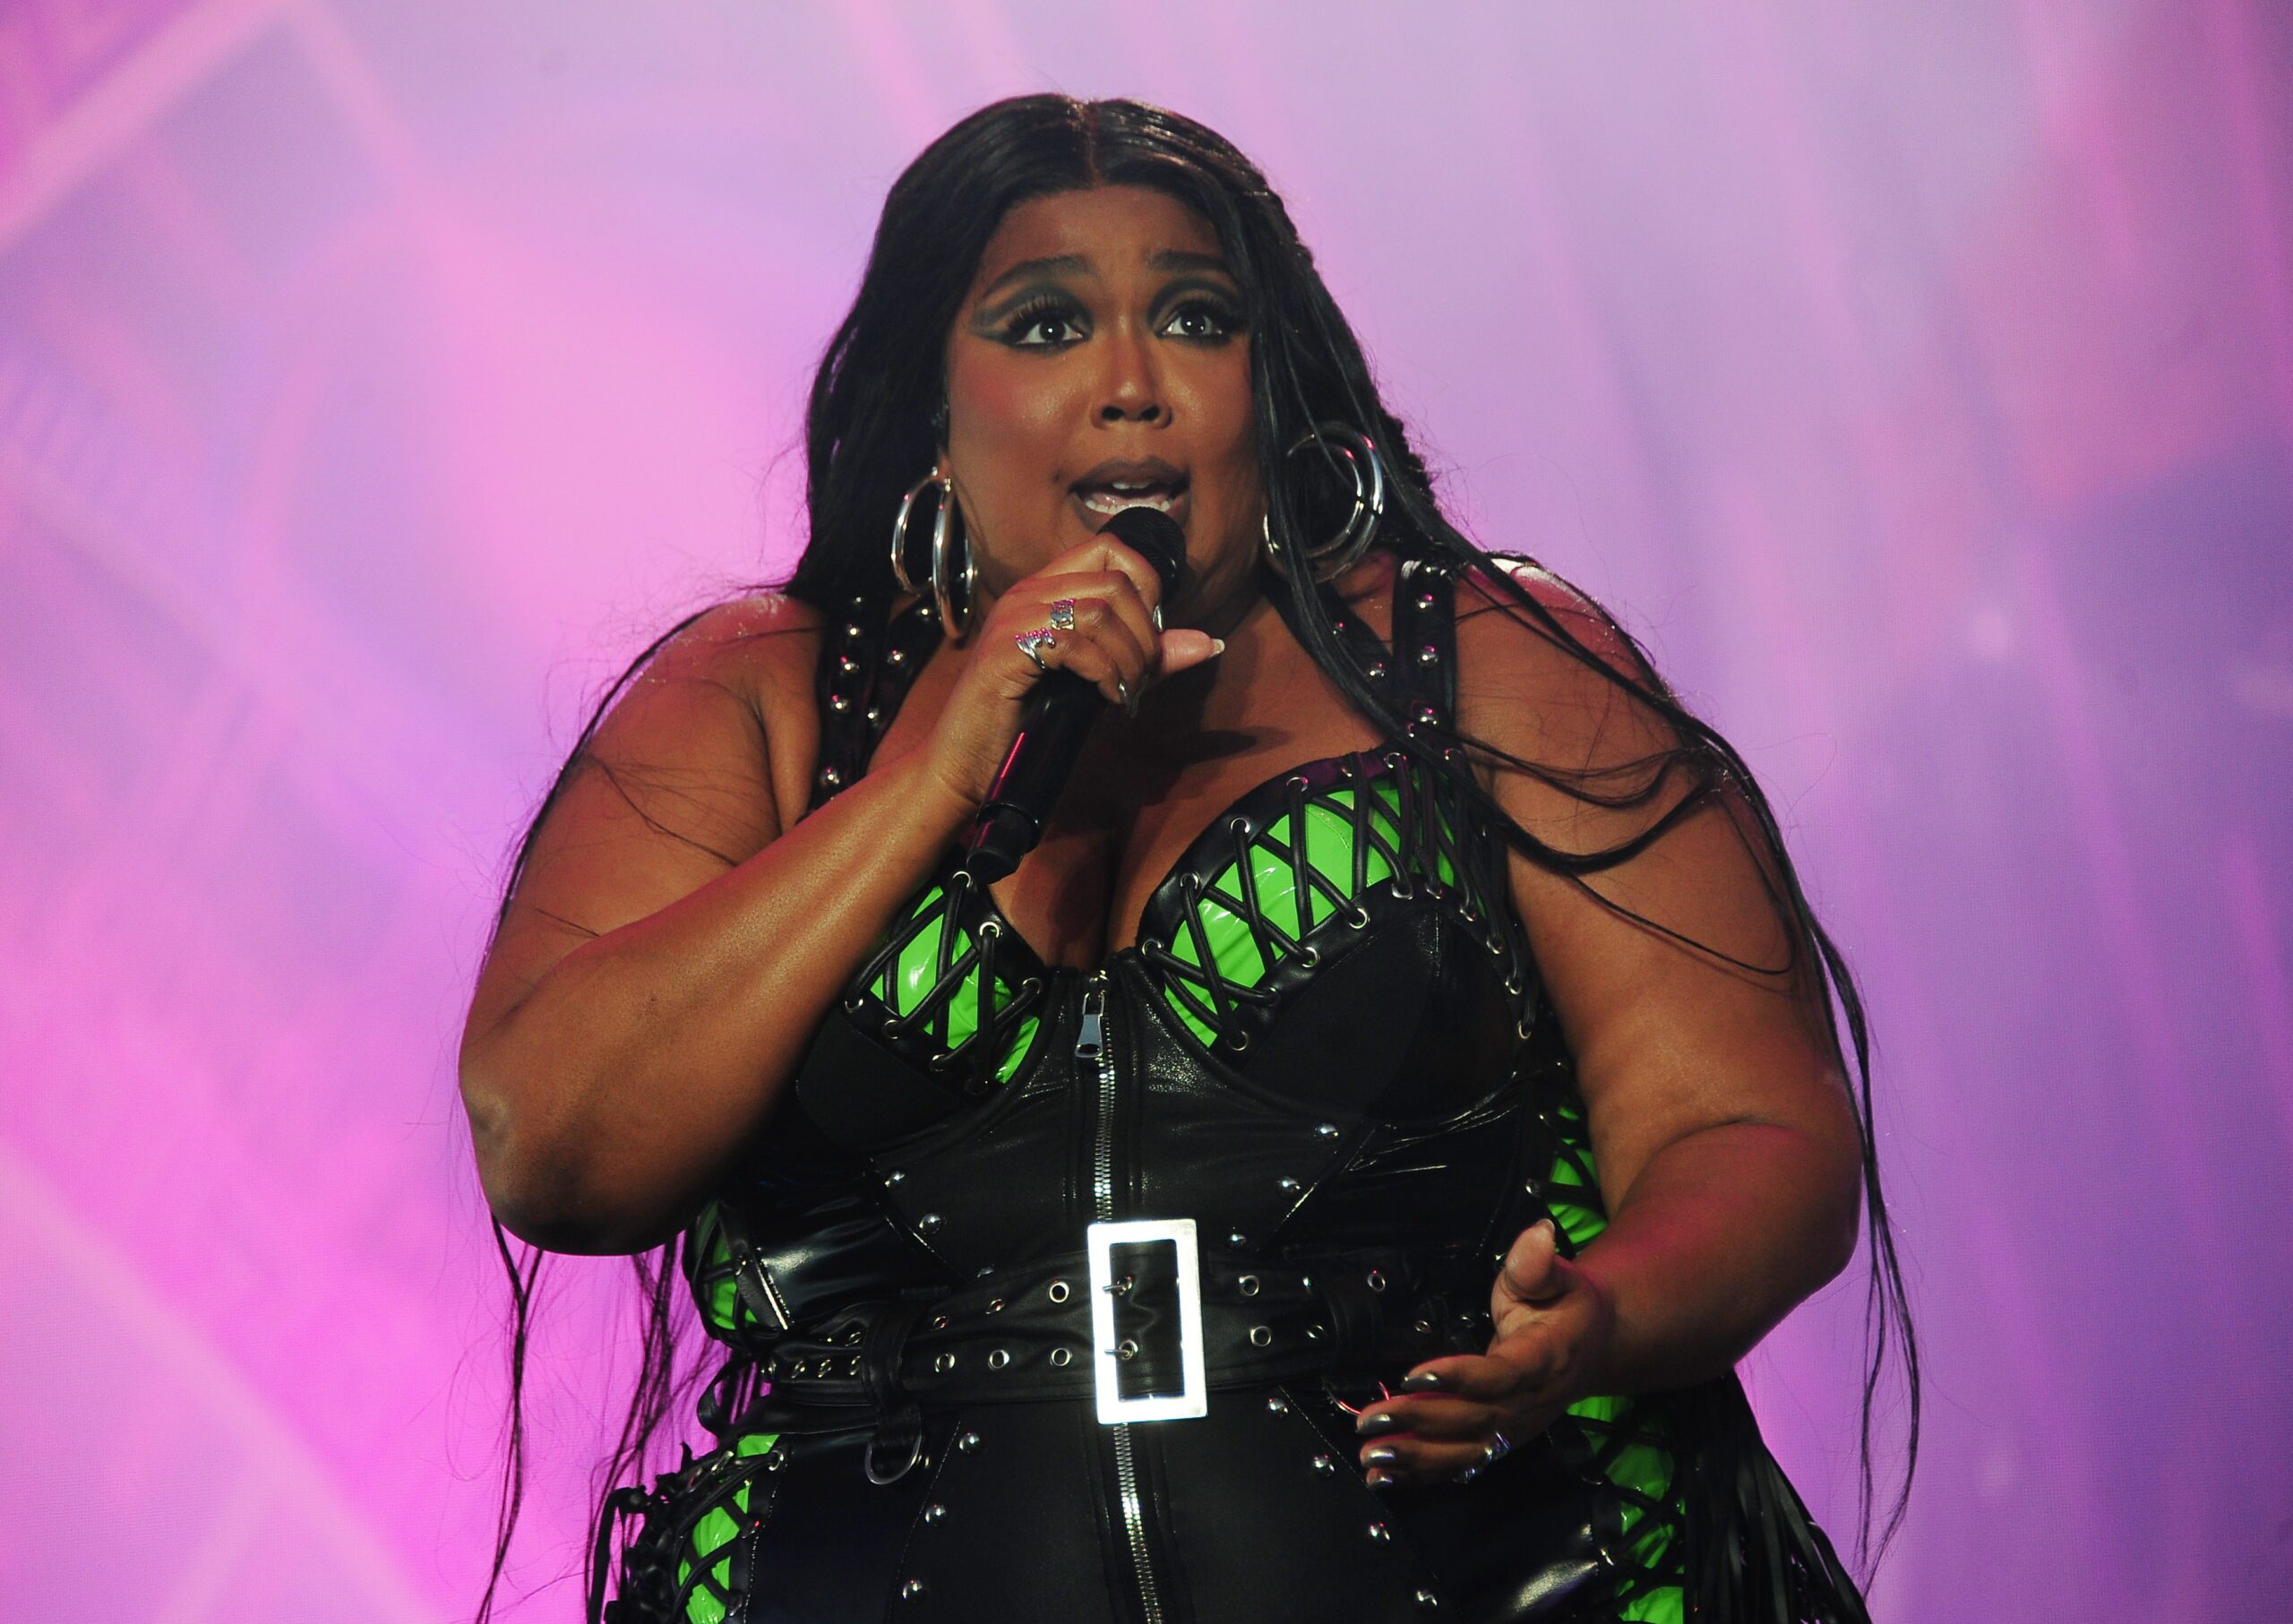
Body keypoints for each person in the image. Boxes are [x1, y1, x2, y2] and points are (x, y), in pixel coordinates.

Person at [458, 95, 1916, 1624]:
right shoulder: (758, 701)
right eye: (1043, 325)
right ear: (932, 408)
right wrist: (924, 783)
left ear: (1266, 395)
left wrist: (1597, 1319)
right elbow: (554, 1144)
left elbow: (1753, 1124)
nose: (1133, 387)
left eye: (1198, 320)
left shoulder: (1473, 660)